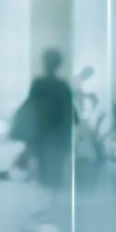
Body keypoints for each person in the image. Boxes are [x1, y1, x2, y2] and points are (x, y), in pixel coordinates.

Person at [19, 48, 77, 211]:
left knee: (44, 170)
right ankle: (50, 206)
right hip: (53, 137)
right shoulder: (61, 86)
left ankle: (47, 207)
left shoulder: (40, 84)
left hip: (44, 136)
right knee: (53, 171)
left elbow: (30, 110)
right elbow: (69, 114)